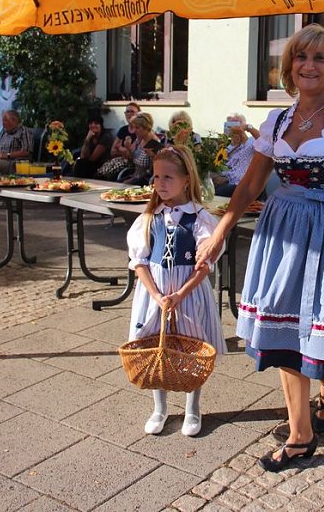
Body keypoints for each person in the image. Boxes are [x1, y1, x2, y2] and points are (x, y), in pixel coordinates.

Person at [195, 24, 324, 472]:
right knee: (284, 331)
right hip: (280, 230)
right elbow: (249, 185)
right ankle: (301, 434)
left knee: (320, 325)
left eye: (320, 58)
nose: (309, 65)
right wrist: (221, 230)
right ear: (290, 66)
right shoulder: (277, 120)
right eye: (301, 57)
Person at [126, 144, 225, 437]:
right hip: (154, 293)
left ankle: (193, 408)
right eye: (156, 177)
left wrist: (180, 294)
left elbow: (204, 266)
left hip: (188, 294)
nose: (160, 184)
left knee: (191, 348)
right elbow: (139, 262)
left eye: (168, 177)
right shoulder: (148, 218)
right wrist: (157, 295)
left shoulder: (201, 219)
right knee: (154, 346)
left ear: (186, 179)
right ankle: (159, 407)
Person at [213, 113, 259, 197]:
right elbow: (220, 165)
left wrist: (248, 128)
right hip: (227, 182)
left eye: (237, 124)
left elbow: (265, 142)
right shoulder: (228, 147)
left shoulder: (252, 142)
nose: (234, 129)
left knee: (216, 191)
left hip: (242, 185)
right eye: (230, 125)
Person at [97, 102, 139, 180]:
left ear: (138, 114)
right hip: (118, 161)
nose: (129, 114)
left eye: (132, 111)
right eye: (127, 112)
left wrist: (120, 148)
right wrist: (124, 151)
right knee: (100, 174)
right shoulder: (123, 130)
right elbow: (112, 152)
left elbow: (133, 155)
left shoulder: (139, 131)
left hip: (131, 165)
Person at [123, 112, 158, 186]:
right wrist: (128, 148)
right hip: (134, 175)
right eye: (134, 127)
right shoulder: (139, 139)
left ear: (146, 127)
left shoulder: (154, 143)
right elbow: (130, 161)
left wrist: (153, 156)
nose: (134, 130)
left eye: (137, 128)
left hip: (145, 180)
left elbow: (158, 168)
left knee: (120, 185)